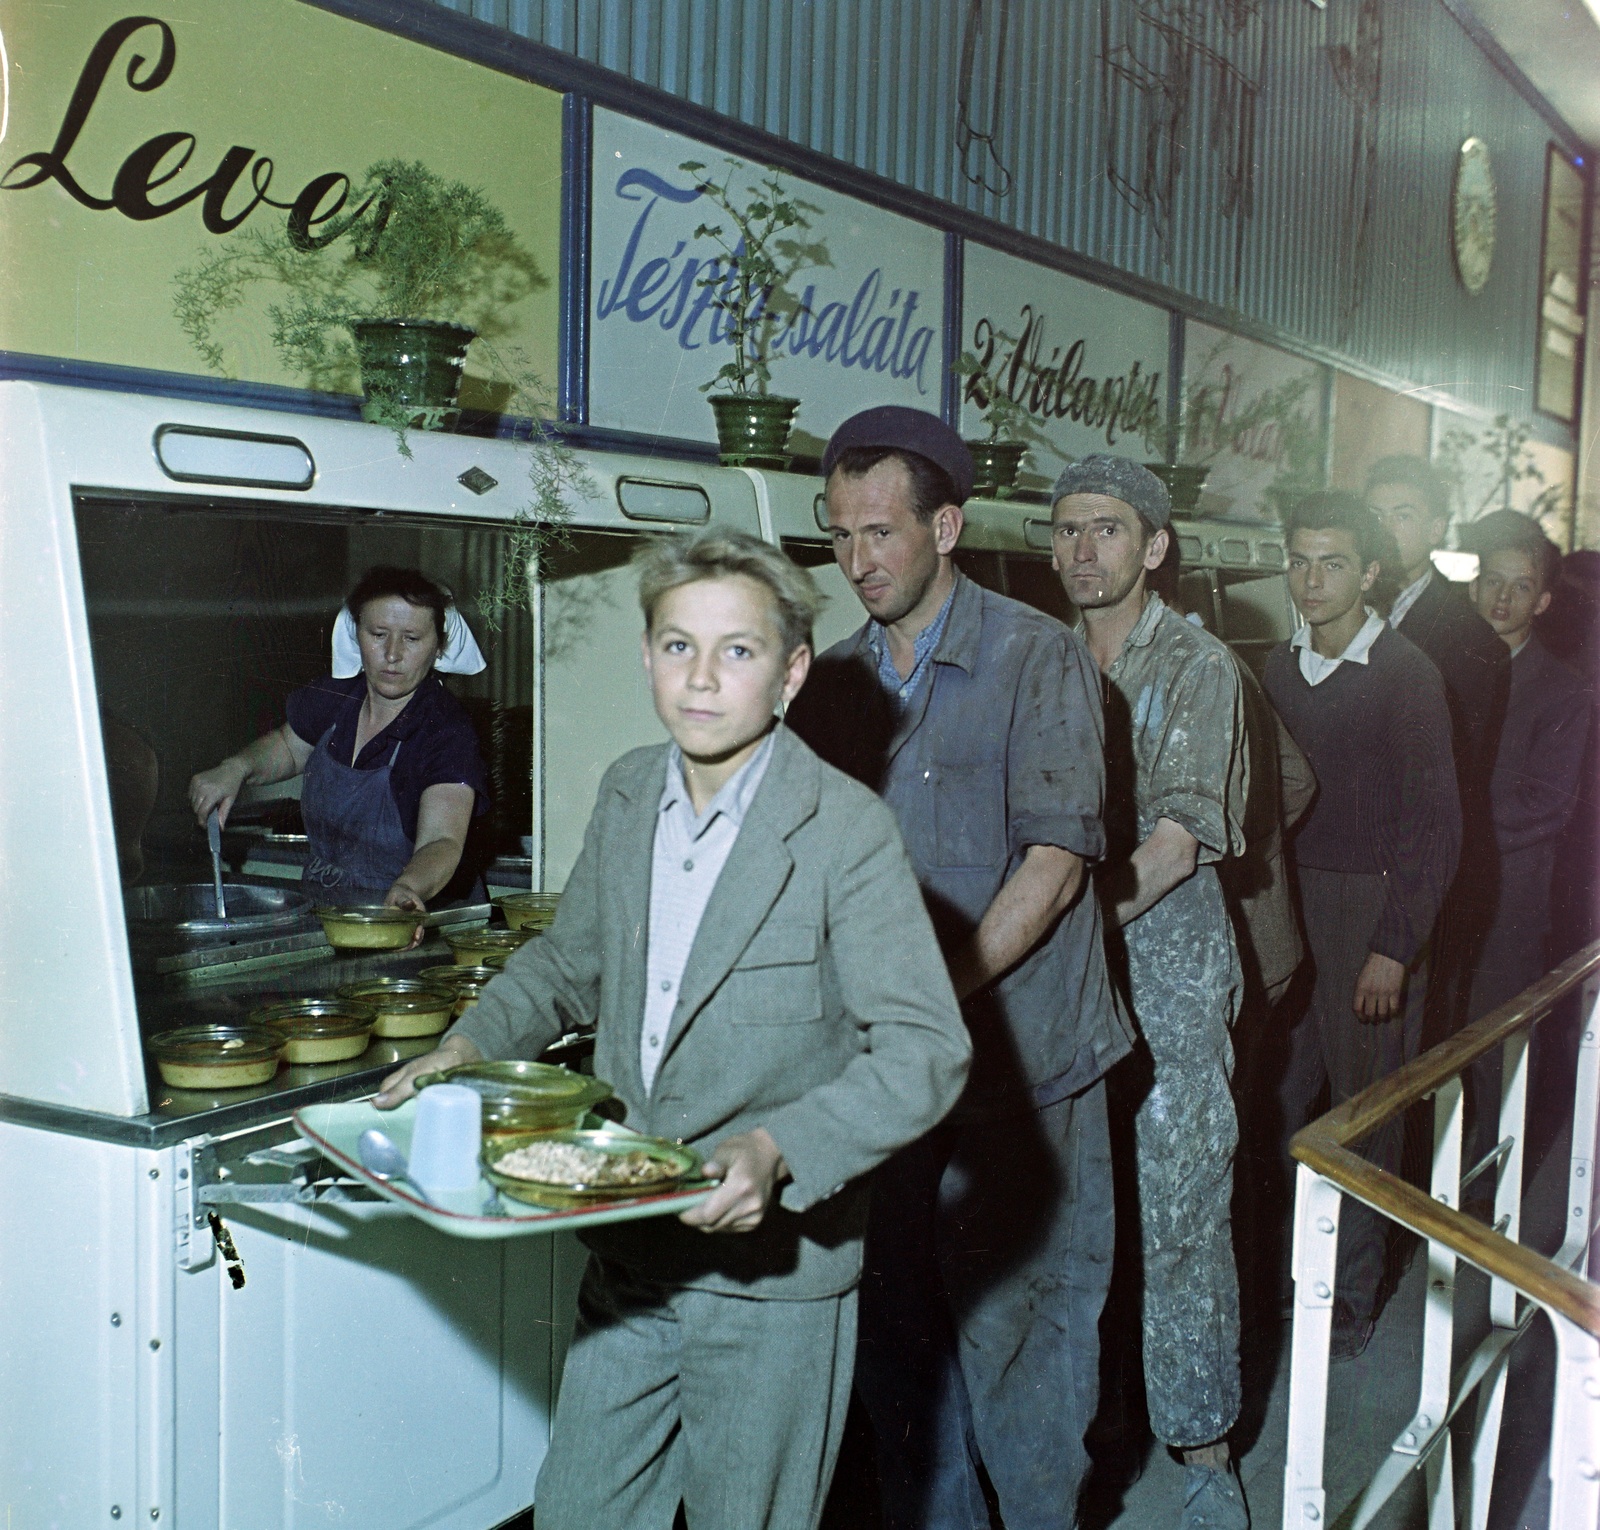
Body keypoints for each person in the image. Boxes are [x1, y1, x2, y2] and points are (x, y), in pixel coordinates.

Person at [376, 529, 971, 1530]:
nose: (701, 679)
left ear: (788, 675)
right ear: (647, 655)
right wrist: (466, 1045)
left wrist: (782, 1150)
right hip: (632, 1249)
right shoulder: (626, 791)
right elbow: (570, 962)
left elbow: (923, 1049)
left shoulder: (841, 828)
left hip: (774, 1279)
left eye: (736, 651)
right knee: (577, 1508)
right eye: (676, 646)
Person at [786, 407, 1131, 1530]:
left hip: (1021, 1070)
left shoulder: (1036, 656)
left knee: (1023, 1354)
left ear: (947, 524)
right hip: (888, 1083)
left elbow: (1056, 866)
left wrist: (933, 994)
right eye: (839, 537)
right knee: (900, 1360)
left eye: (880, 533)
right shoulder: (831, 683)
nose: (858, 561)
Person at [1050, 455, 1251, 1529]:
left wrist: (1046, 925)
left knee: (1179, 1219)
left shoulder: (1196, 665)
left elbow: (1174, 845)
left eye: (1108, 530)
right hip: (1063, 990)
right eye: (1068, 530)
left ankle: (1206, 1453)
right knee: (1074, 1225)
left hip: (1165, 987)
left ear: (1154, 546)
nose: (1085, 551)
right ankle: (1090, 1440)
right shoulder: (1040, 661)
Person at [1264, 492, 1460, 1358]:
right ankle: (1282, 1278)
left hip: (1368, 911)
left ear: (1371, 571)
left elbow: (1437, 824)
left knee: (1366, 1110)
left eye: (1333, 562)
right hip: (1286, 903)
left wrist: (1393, 944)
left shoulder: (1408, 673)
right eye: (1300, 560)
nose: (1311, 579)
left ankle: (1354, 1293)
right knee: (1275, 1098)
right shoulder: (1274, 667)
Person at [188, 566, 490, 910]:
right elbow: (288, 748)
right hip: (332, 906)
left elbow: (442, 840)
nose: (392, 654)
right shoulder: (336, 697)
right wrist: (236, 768)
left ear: (439, 646)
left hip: (418, 914)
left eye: (411, 638)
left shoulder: (445, 729)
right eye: (378, 634)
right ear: (356, 634)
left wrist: (409, 889)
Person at [1461, 511, 1593, 1165]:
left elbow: (1546, 804)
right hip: (1445, 894)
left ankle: (1492, 1194)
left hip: (1510, 901)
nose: (1501, 598)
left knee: (1499, 1053)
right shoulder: (1448, 670)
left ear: (1542, 601)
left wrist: (1453, 827)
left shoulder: (1562, 691)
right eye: (1491, 581)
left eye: (1519, 586)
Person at [1364, 457, 1510, 1020]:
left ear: (1436, 529)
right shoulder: (1343, 614)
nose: (1385, 529)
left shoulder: (1468, 638)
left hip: (1423, 881)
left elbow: (1443, 791)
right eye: (1375, 515)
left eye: (1403, 515)